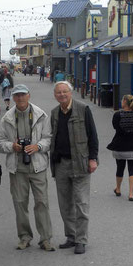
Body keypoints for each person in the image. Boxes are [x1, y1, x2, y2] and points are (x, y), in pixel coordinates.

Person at [0, 84, 55, 252]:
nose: (20, 98)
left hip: (38, 166)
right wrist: (11, 146)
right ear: (13, 98)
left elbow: (48, 138)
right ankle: (24, 237)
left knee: (42, 203)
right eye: (17, 96)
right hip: (17, 168)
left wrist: (38, 147)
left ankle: (45, 238)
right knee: (20, 203)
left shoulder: (40, 115)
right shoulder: (7, 118)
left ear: (29, 95)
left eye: (23, 95)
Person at [50, 81, 98, 255]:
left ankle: (81, 240)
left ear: (70, 93)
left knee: (81, 203)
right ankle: (71, 236)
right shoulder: (55, 113)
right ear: (55, 95)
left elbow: (93, 135)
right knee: (65, 204)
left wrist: (93, 159)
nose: (62, 95)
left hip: (81, 163)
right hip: (61, 163)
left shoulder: (83, 109)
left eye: (65, 92)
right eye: (59, 93)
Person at [106, 95, 133, 201]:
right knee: (132, 169)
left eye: (122, 100)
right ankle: (131, 194)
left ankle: (118, 189)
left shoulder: (117, 115)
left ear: (125, 102)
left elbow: (115, 127)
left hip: (120, 145)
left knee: (120, 168)